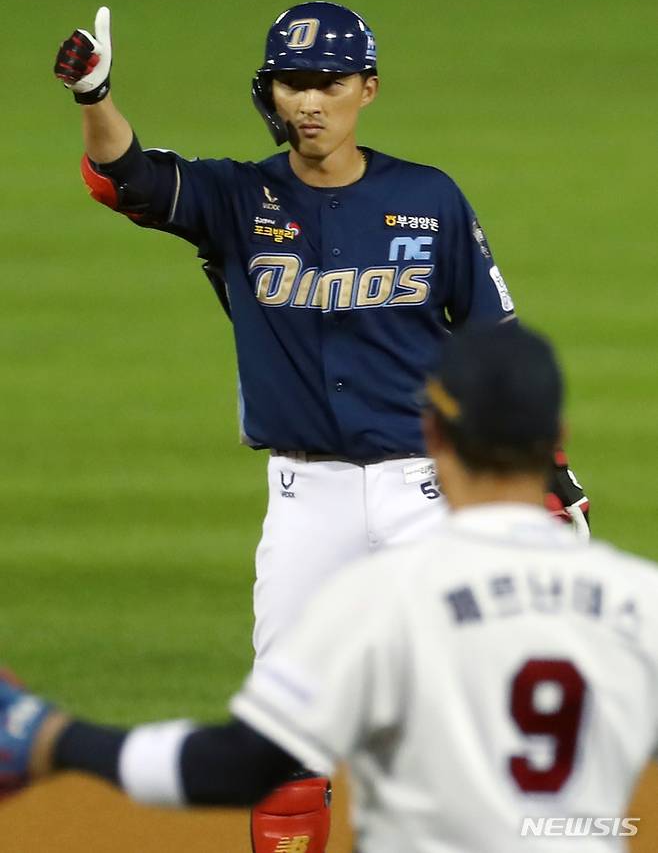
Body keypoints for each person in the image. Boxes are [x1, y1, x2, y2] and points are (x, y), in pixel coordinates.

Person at [51, 3, 589, 850]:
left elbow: (497, 345)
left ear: (366, 88)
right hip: (308, 502)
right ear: (270, 93)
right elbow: (128, 180)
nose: (309, 101)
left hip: (428, 494)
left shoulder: (428, 197)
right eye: (291, 83)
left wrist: (547, 472)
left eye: (328, 83)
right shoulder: (237, 197)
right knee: (283, 740)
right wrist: (95, 93)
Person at [1, 324, 652, 853]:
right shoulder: (640, 599)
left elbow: (239, 764)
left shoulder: (379, 597)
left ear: (431, 435)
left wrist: (51, 736)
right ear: (558, 440)